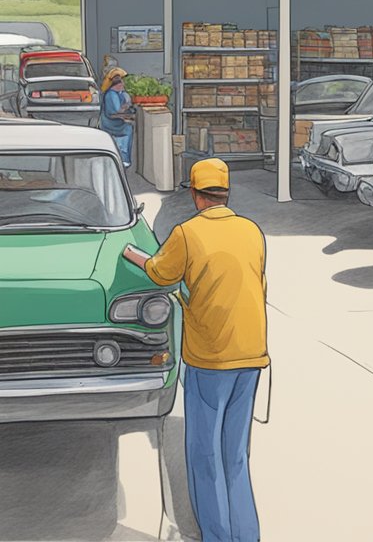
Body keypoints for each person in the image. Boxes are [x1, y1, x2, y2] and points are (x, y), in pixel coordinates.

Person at [122, 159, 268, 542]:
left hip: (210, 356)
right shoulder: (251, 231)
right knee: (235, 454)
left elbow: (159, 272)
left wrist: (132, 255)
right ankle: (247, 535)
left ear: (195, 194)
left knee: (206, 454)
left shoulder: (188, 233)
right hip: (251, 354)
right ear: (226, 192)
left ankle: (218, 536)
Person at [99, 67, 134, 167]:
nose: (123, 84)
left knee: (129, 127)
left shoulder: (120, 94)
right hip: (111, 124)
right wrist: (126, 112)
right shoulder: (111, 95)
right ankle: (124, 158)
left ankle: (124, 157)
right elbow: (114, 112)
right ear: (116, 85)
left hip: (116, 121)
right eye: (121, 83)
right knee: (128, 128)